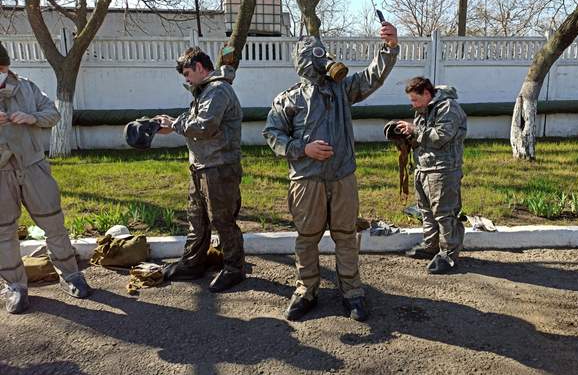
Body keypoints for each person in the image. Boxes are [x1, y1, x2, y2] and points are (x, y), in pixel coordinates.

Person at [263, 22, 399, 322]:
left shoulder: (342, 90)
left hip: (342, 177)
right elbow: (272, 135)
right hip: (306, 179)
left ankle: (352, 292)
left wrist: (388, 49)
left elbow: (371, 78)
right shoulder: (288, 99)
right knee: (307, 237)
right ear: (302, 62)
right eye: (315, 56)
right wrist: (303, 149)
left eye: (324, 55)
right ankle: (306, 290)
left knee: (346, 235)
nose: (323, 61)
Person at [0, 41, 91, 314]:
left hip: (33, 166)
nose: (2, 72)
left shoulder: (26, 87)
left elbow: (52, 113)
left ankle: (71, 275)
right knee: (3, 231)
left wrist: (31, 117)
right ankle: (15, 286)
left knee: (54, 223)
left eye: (2, 67)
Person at [154, 47, 245, 293]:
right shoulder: (204, 92)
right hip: (202, 165)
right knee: (197, 217)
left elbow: (205, 126)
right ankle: (193, 263)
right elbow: (195, 120)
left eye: (187, 72)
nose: (185, 78)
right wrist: (172, 124)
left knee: (222, 220)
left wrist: (175, 125)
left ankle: (234, 268)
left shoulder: (218, 90)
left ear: (201, 68)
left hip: (219, 168)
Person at [396, 76, 467, 274]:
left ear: (426, 94)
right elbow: (422, 137)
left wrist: (415, 129)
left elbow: (441, 136)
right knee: (426, 211)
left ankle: (449, 255)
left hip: (443, 169)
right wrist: (405, 136)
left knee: (445, 214)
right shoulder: (424, 109)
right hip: (424, 168)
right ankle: (431, 247)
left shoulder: (448, 107)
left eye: (415, 99)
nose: (412, 104)